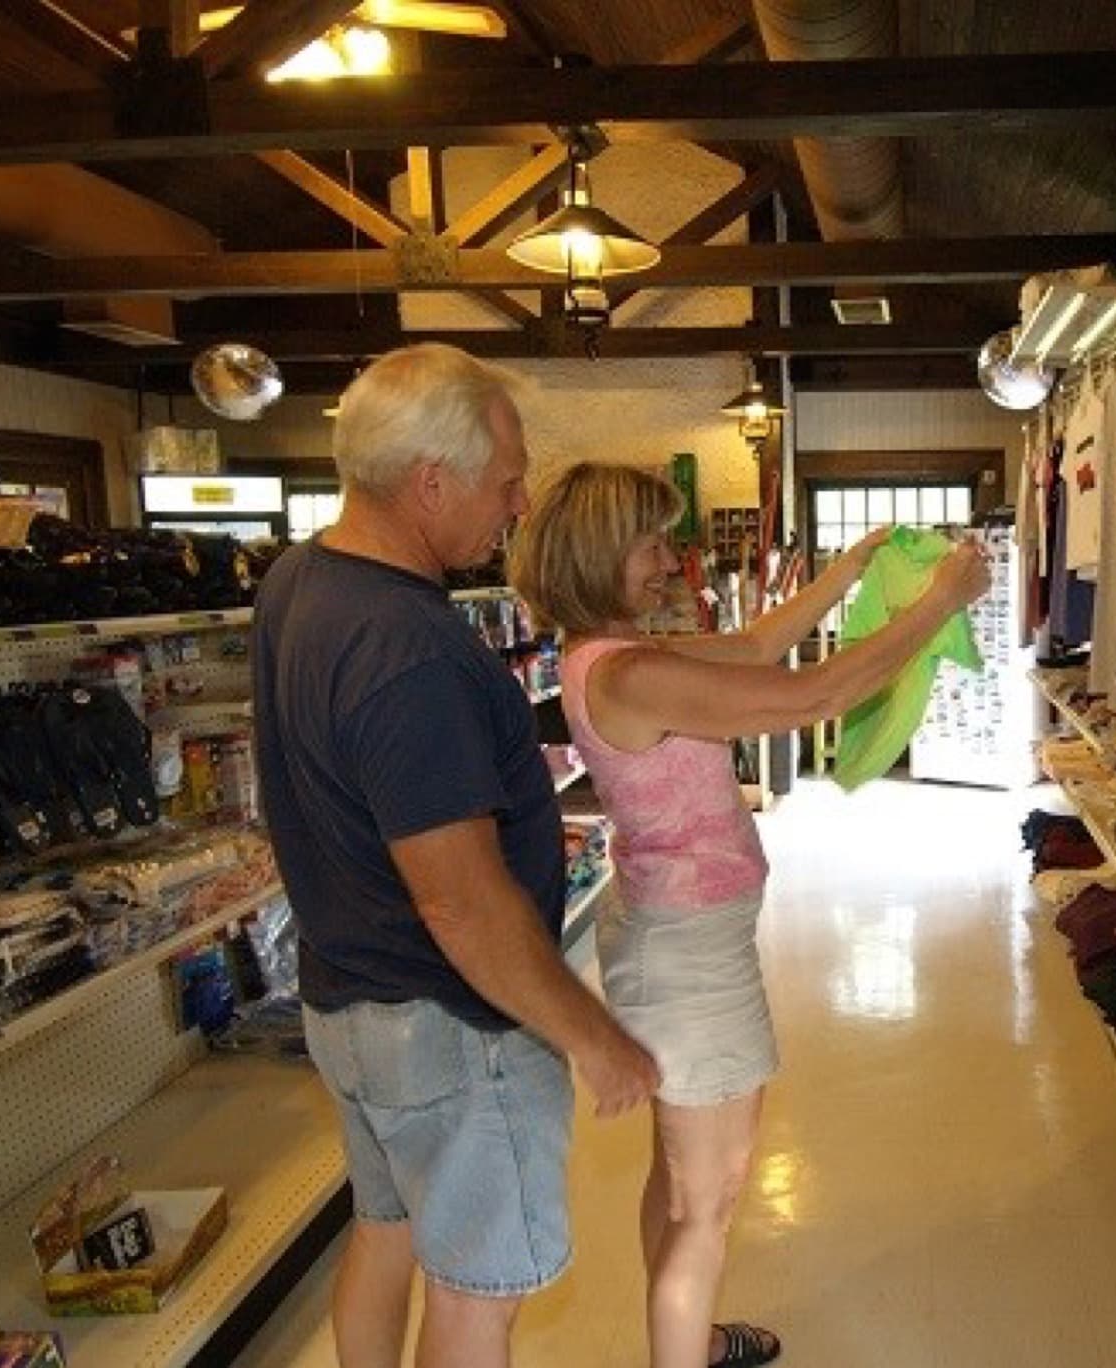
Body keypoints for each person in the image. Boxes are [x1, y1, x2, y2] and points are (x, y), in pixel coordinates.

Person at [508, 463, 989, 1368]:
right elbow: (810, 695)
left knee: (682, 1181)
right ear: (600, 554)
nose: (670, 560)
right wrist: (935, 603)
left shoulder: (608, 658)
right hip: (689, 960)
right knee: (710, 1202)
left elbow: (764, 645)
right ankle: (683, 1345)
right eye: (651, 542)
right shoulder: (635, 674)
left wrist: (851, 569)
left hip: (671, 939)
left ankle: (689, 1334)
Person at [251, 345, 660, 1368]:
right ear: (429, 481)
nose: (519, 504)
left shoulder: (301, 581)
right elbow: (464, 905)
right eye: (505, 479)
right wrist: (591, 1035)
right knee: (479, 1293)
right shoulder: (407, 651)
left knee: (385, 1235)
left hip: (347, 1006)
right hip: (446, 1030)